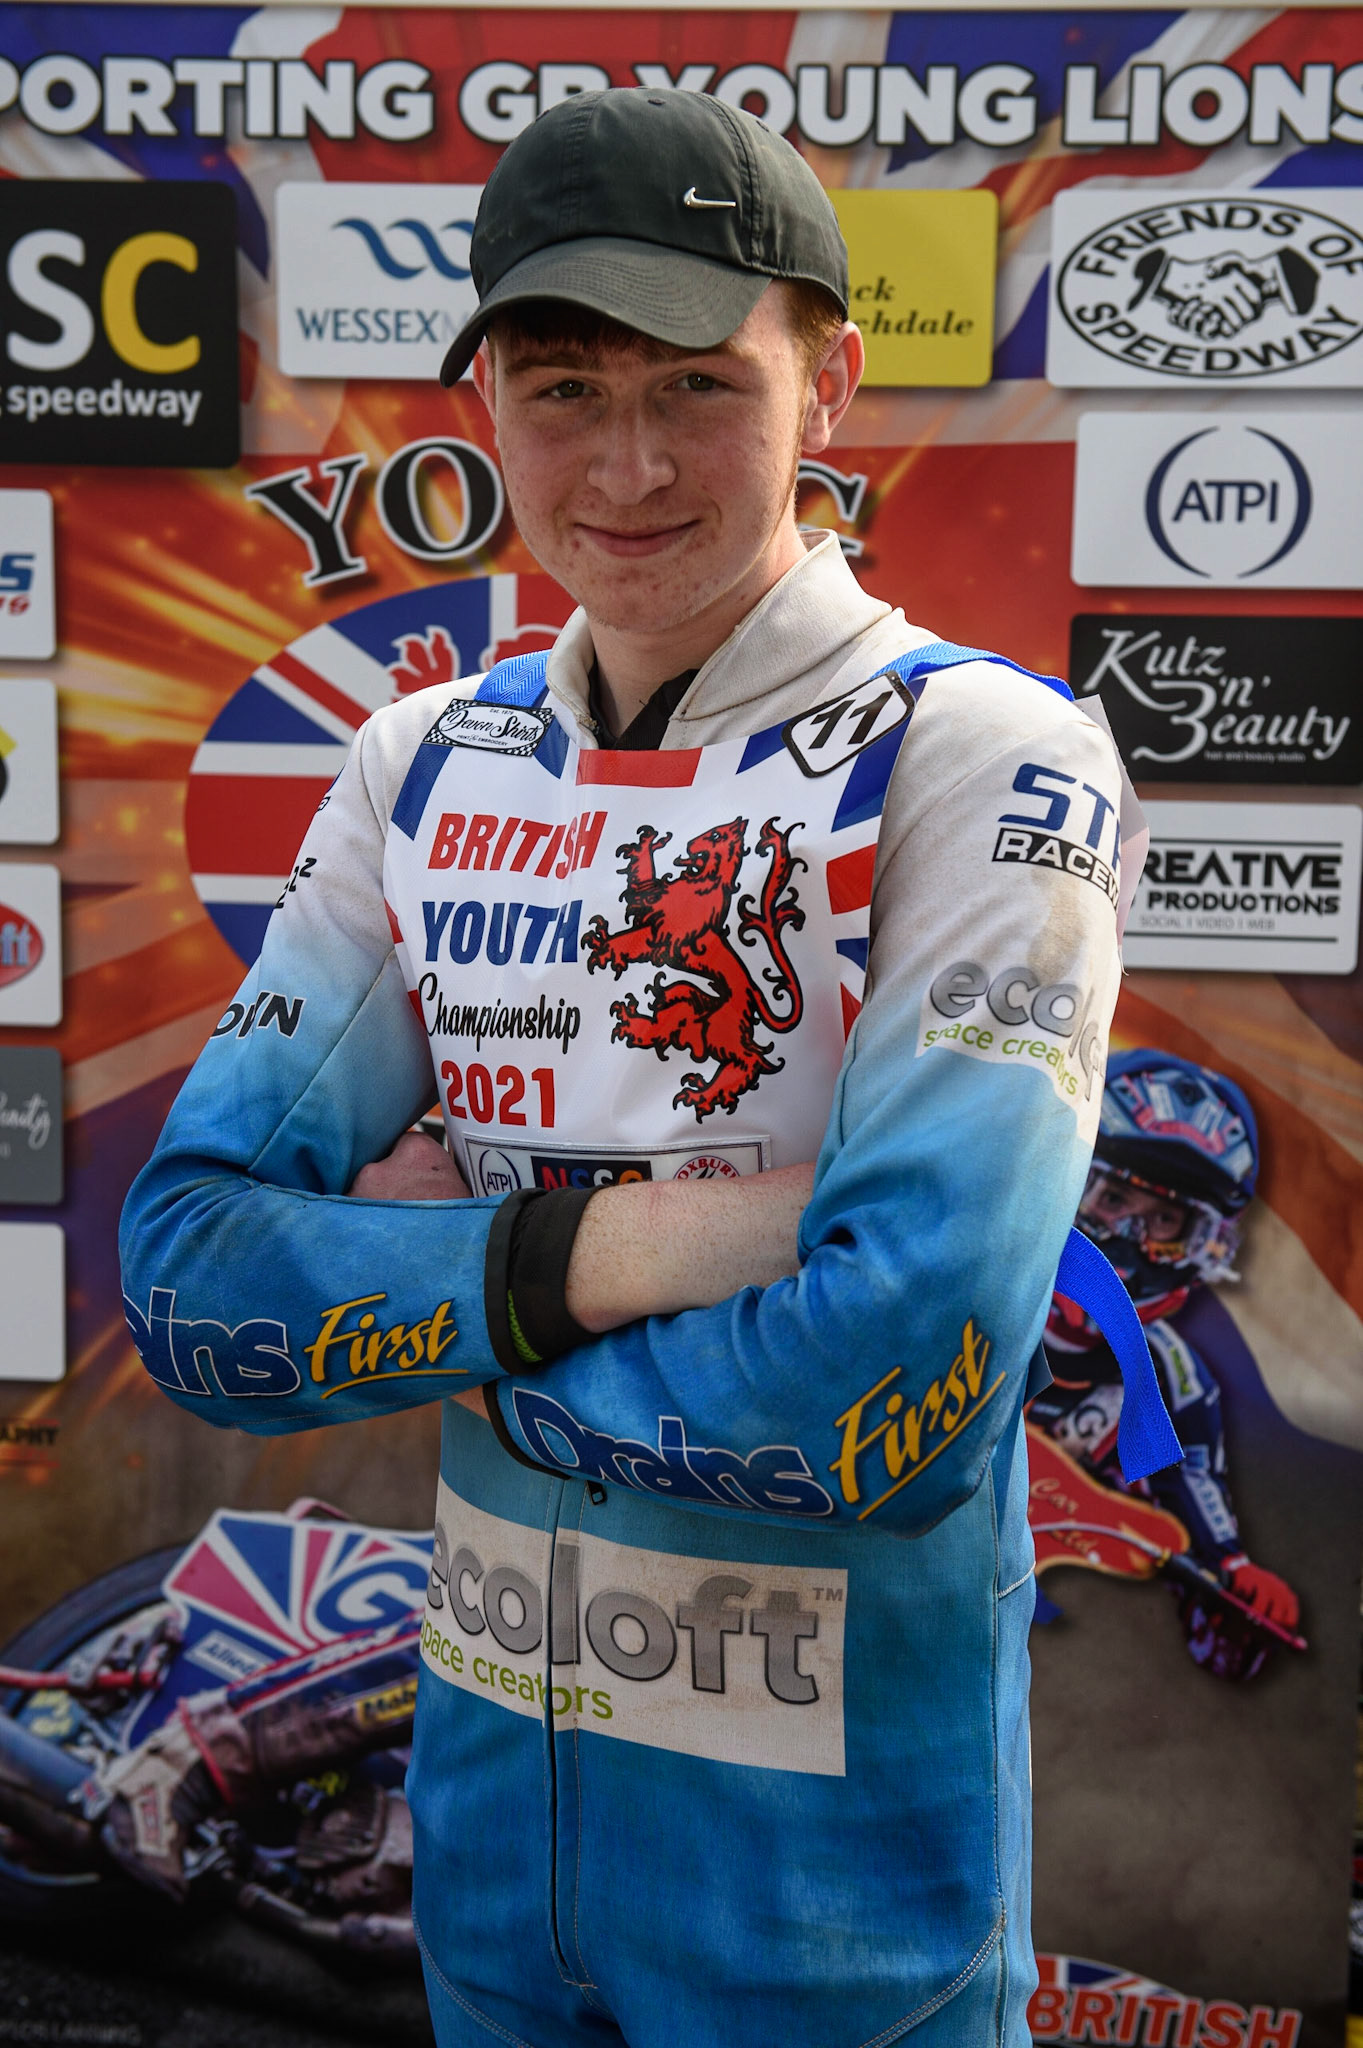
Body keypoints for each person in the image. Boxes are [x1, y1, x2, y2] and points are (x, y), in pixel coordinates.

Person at [120, 87, 1155, 2048]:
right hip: (492, 1861)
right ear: (486, 397)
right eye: (563, 386)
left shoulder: (986, 759)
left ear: (830, 381)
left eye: (698, 384)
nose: (626, 465)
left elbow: (898, 1386)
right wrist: (611, 1252)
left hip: (833, 1905)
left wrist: (423, 1296)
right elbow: (188, 1282)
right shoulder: (422, 763)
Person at [1032, 1048, 1300, 1681]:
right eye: (1114, 1196)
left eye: (1164, 1220)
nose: (1129, 1236)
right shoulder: (981, 1297)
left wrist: (1233, 1576)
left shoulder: (1171, 1376)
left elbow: (1190, 1483)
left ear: (1199, 1242)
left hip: (1059, 1647)